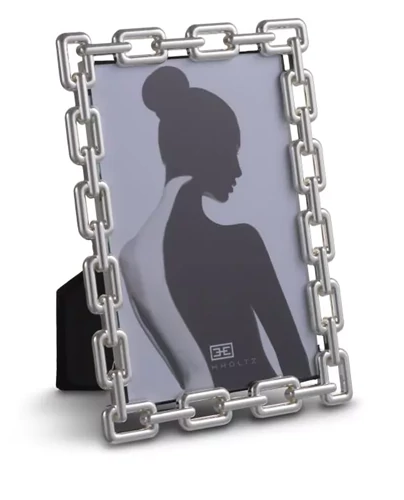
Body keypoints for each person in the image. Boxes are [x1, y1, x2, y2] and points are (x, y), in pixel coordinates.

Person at [120, 66, 311, 394]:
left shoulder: (132, 253)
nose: (238, 169)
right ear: (205, 149)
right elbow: (294, 360)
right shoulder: (240, 243)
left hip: (195, 406)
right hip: (263, 400)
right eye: (232, 151)